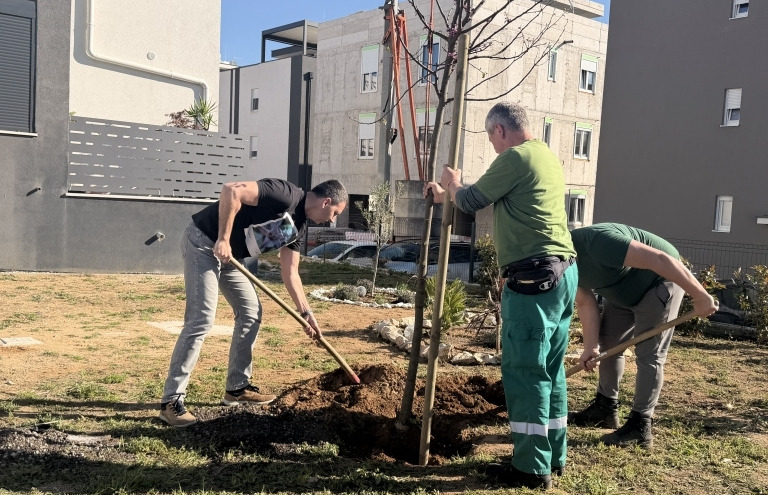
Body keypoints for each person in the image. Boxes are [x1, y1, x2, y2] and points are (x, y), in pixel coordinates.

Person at [424, 102, 577, 490]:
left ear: (499, 132)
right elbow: (480, 194)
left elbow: (473, 200)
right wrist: (447, 195)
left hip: (533, 280)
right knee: (551, 370)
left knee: (526, 373)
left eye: (489, 137)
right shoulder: (543, 155)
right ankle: (553, 455)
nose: (491, 144)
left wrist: (454, 182)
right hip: (562, 274)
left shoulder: (515, 157)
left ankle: (530, 468)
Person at [158, 178, 348, 427]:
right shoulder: (285, 195)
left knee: (251, 312)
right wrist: (223, 238)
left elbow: (291, 273)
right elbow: (231, 191)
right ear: (326, 202)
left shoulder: (299, 228)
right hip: (204, 242)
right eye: (335, 213)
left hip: (230, 258)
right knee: (201, 319)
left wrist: (306, 313)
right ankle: (171, 402)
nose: (332, 220)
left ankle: (237, 388)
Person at [568, 223, 717, 448]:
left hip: (657, 283)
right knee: (608, 344)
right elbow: (585, 302)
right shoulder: (561, 263)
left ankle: (640, 426)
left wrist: (700, 295)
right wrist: (590, 346)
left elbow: (661, 260)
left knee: (650, 354)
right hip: (619, 292)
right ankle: (605, 409)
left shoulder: (597, 242)